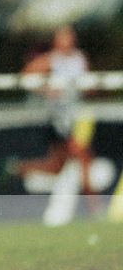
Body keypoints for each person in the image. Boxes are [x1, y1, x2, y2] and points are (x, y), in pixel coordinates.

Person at [12, 25, 95, 192]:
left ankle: (15, 168)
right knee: (83, 156)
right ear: (56, 41)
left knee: (57, 167)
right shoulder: (50, 60)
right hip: (60, 118)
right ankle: (94, 206)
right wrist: (46, 90)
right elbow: (25, 78)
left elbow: (88, 87)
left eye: (70, 36)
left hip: (77, 115)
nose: (68, 40)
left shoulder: (80, 58)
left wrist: (86, 88)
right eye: (63, 37)